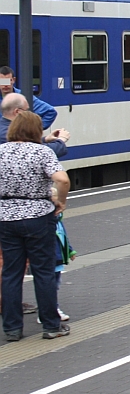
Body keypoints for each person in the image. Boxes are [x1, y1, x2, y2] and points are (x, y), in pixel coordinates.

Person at [0, 111, 71, 340]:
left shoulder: (1, 152)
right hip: (38, 216)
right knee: (43, 271)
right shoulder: (41, 152)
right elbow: (62, 179)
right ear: (36, 131)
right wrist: (60, 201)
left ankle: (12, 329)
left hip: (6, 217)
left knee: (11, 273)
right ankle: (51, 326)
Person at [0, 93, 69, 157]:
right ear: (17, 112)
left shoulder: (4, 128)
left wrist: (45, 139)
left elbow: (27, 143)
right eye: (26, 110)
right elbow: (37, 152)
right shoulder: (7, 133)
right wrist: (61, 140)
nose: (29, 113)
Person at [0, 66, 57, 130]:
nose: (5, 85)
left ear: (14, 80)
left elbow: (50, 112)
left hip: (17, 136)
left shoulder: (22, 97)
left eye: (7, 81)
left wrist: (33, 130)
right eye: (2, 81)